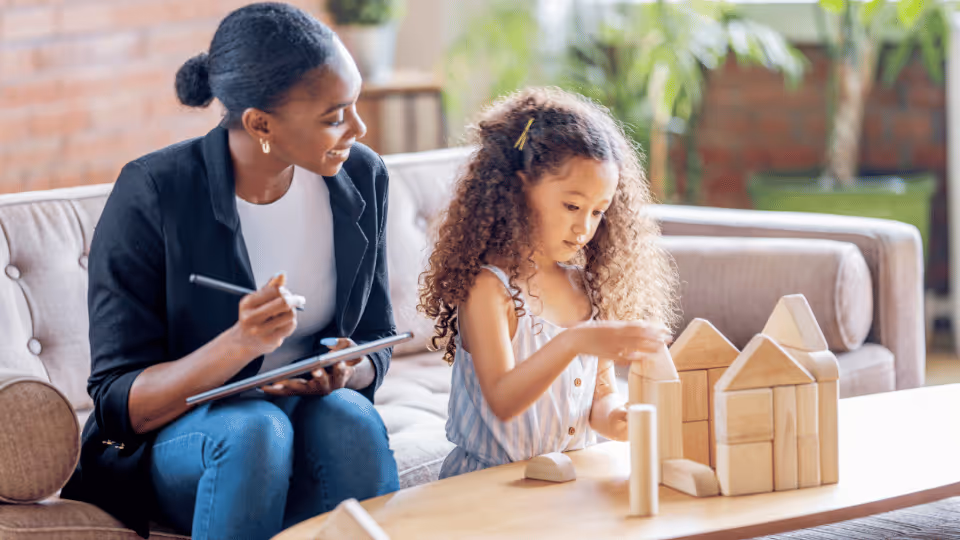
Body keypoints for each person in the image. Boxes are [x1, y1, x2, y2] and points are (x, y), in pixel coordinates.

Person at [60, 3, 399, 539]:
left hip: (303, 415)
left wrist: (348, 368)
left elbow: (377, 336)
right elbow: (119, 401)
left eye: (354, 105)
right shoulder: (154, 192)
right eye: (335, 116)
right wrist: (238, 346)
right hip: (179, 443)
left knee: (351, 419)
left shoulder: (361, 176)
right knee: (254, 430)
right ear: (260, 123)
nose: (358, 128)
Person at [418, 87, 680, 478]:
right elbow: (503, 400)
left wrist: (617, 418)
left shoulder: (584, 287)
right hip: (488, 487)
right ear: (518, 187)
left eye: (598, 212)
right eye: (572, 206)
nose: (584, 227)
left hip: (565, 482)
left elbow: (601, 394)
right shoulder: (489, 288)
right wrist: (576, 340)